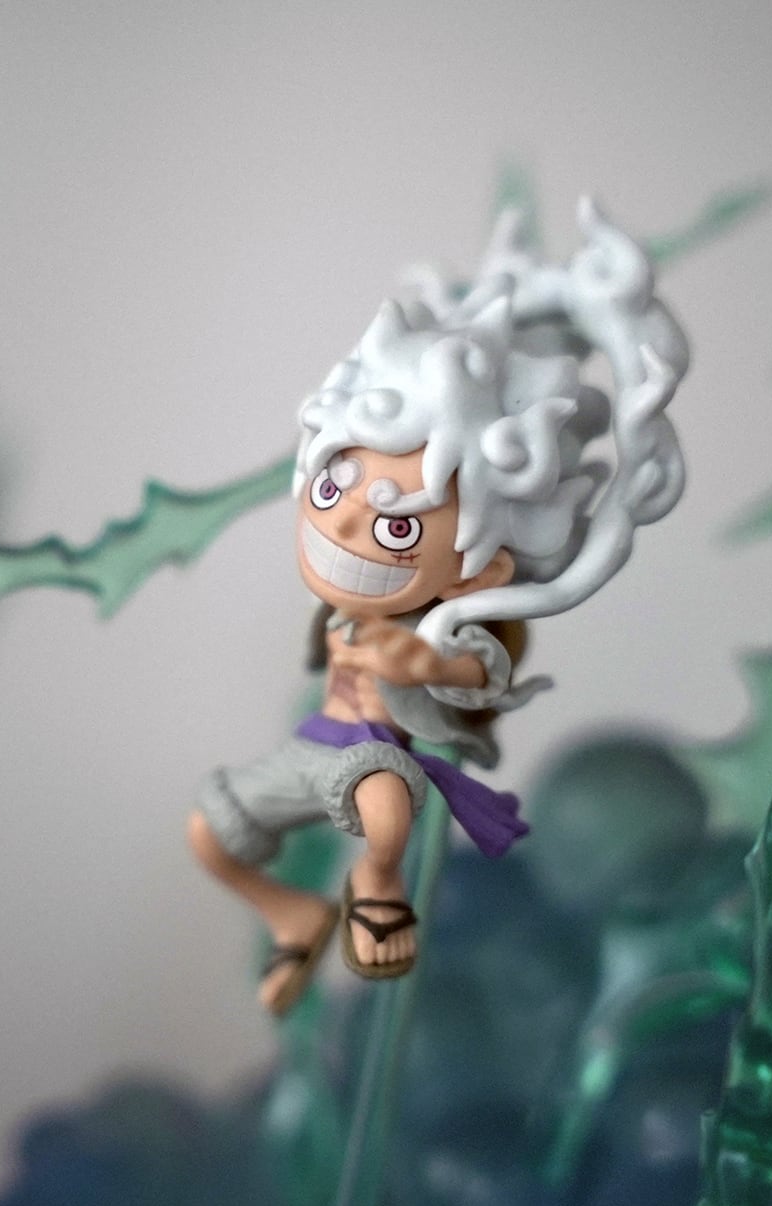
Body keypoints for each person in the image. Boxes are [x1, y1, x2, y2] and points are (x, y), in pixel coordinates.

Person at [187, 201, 690, 1014]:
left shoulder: (455, 628)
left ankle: (378, 894)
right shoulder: (345, 612)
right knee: (210, 832)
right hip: (315, 752)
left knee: (385, 804)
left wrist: (418, 660)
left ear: (478, 569)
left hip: (378, 765)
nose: (342, 525)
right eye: (333, 488)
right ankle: (293, 912)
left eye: (395, 524)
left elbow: (470, 676)